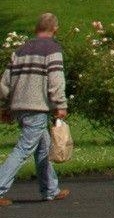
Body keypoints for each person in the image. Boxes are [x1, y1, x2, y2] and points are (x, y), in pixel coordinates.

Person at [1, 13, 70, 205]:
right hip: (36, 107)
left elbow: (5, 82)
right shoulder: (52, 49)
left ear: (35, 29)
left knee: (43, 148)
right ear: (55, 29)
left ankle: (50, 190)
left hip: (19, 107)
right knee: (23, 149)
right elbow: (56, 80)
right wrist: (60, 104)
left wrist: (5, 107)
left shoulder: (21, 50)